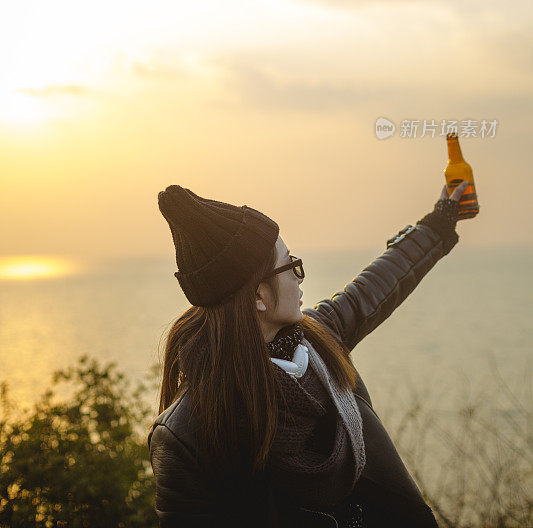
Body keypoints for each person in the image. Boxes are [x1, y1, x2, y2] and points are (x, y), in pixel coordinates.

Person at [148, 178, 472, 527]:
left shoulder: (317, 340)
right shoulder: (186, 435)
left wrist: (440, 221)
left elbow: (378, 285)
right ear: (258, 296)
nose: (300, 277)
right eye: (291, 265)